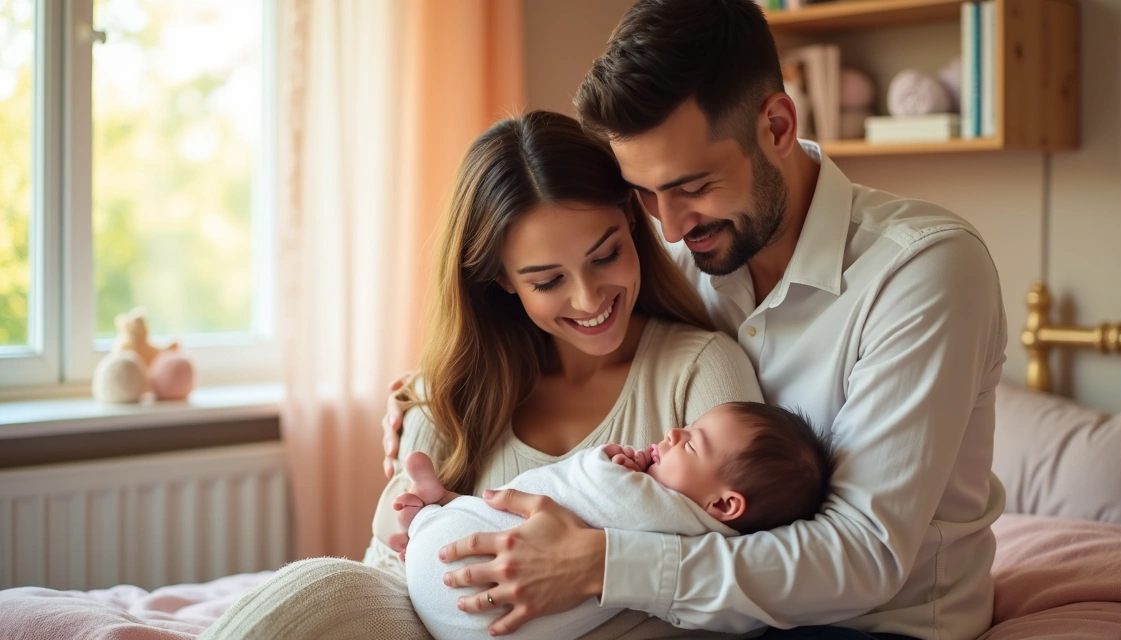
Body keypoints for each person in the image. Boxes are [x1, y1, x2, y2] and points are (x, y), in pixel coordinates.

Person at [382, 1, 1009, 639]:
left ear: (777, 125)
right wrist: (430, 395)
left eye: (691, 185)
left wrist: (597, 564)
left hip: (875, 625)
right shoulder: (686, 256)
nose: (670, 225)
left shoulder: (922, 271)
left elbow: (862, 554)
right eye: (645, 195)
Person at [203, 109, 773, 640]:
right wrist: (400, 525)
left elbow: (757, 580)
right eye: (547, 280)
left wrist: (592, 563)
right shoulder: (451, 393)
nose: (589, 297)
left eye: (605, 256)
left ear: (631, 221)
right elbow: (391, 583)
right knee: (319, 589)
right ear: (500, 279)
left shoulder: (700, 371)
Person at [391, 402, 834, 640]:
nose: (674, 433)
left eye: (692, 444)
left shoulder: (662, 511)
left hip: (455, 583)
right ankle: (437, 509)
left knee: (503, 506)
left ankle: (434, 513)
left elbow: (590, 485)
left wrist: (610, 463)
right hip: (476, 616)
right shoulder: (706, 544)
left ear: (723, 506)